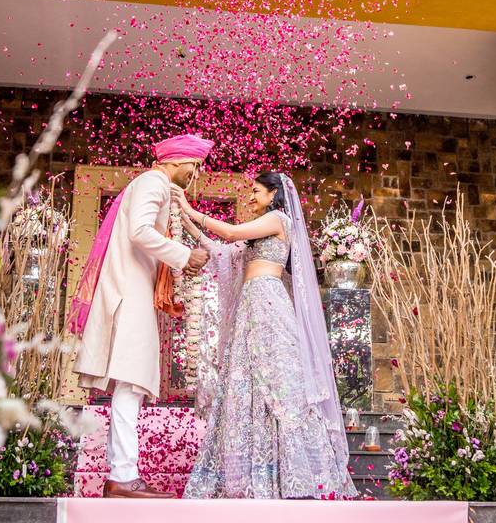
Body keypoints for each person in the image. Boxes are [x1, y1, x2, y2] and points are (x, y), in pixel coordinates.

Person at [172, 171, 357, 499]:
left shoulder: (279, 219)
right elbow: (220, 250)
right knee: (247, 381)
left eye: (257, 191)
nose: (251, 196)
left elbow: (228, 231)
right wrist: (185, 222)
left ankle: (299, 474)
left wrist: (189, 207)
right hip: (251, 304)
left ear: (274, 194)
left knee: (280, 382)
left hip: (269, 302)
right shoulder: (259, 231)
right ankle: (254, 473)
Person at [69, 134, 213, 498]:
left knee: (129, 384)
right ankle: (122, 476)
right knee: (131, 382)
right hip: (129, 294)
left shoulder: (150, 184)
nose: (194, 174)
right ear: (176, 162)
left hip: (132, 292)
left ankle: (123, 473)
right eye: (193, 166)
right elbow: (139, 232)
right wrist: (183, 256)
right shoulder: (154, 182)